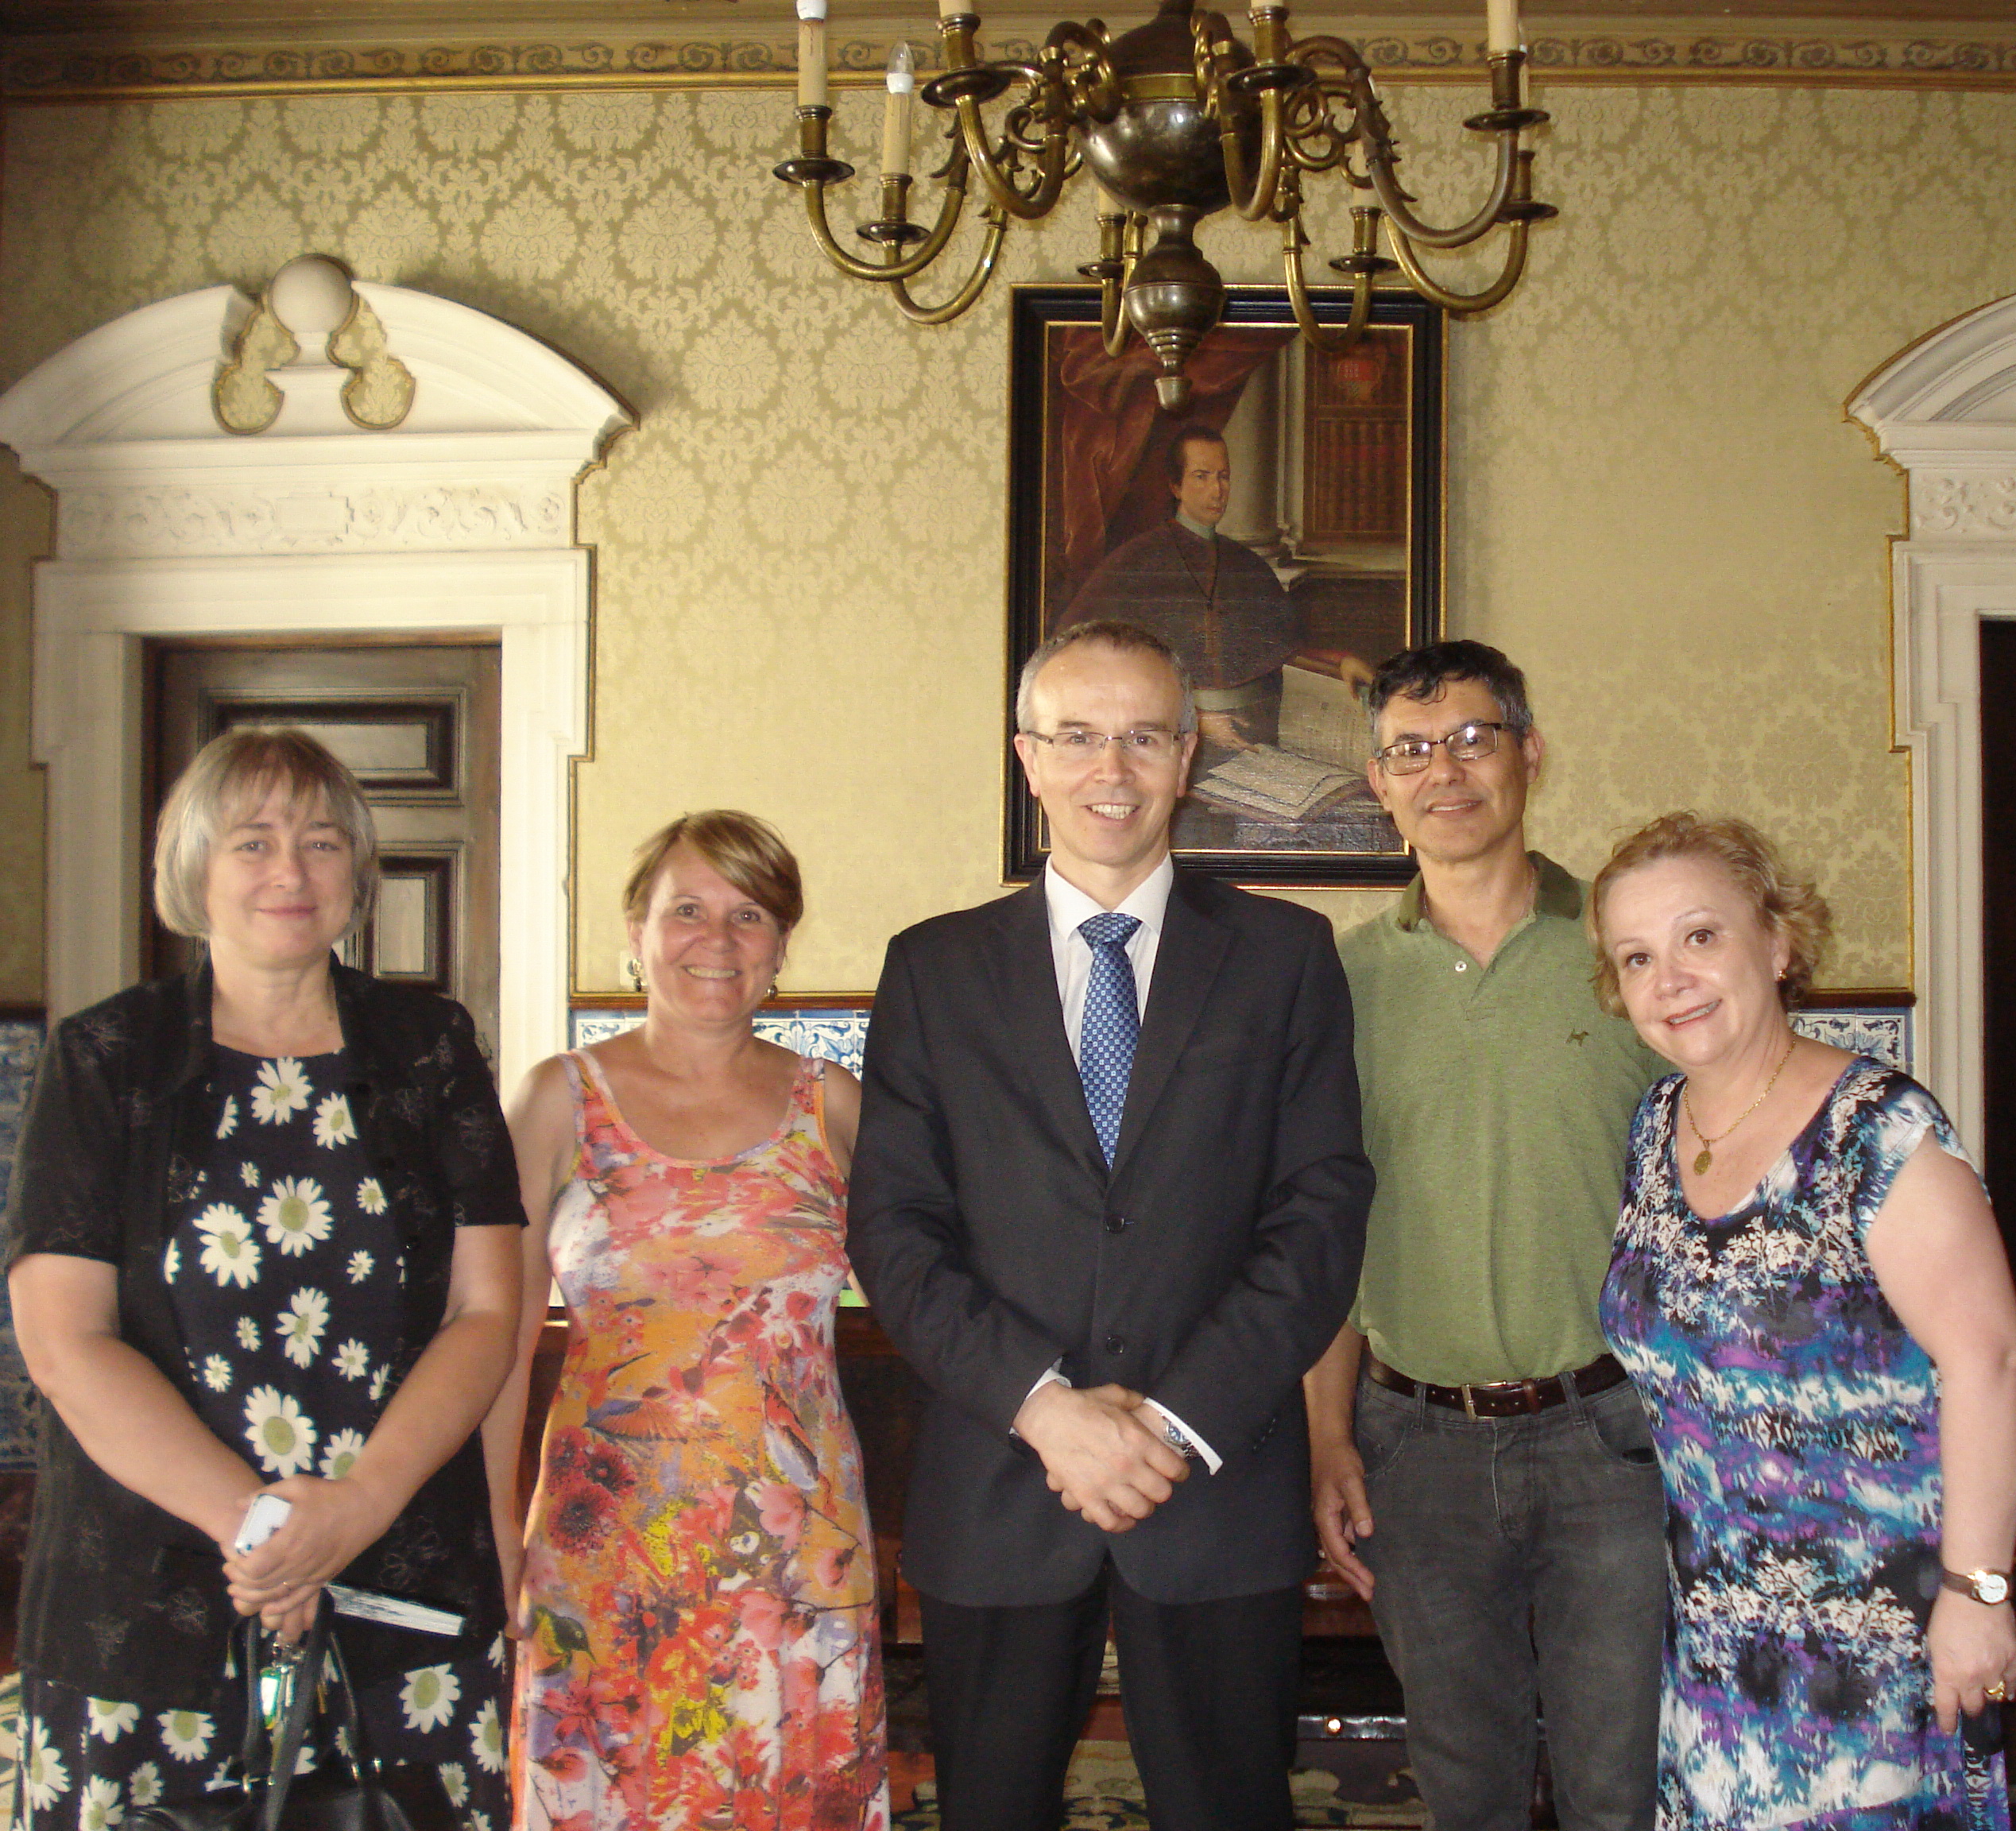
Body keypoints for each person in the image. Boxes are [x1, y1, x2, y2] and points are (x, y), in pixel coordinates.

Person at [847, 619, 1372, 1831]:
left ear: (1188, 757)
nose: (1112, 769)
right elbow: (896, 1229)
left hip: (1216, 1482)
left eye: (1143, 736)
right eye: (1078, 736)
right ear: (1028, 758)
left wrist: (1174, 1421)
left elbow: (1321, 1214)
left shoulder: (1286, 957)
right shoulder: (932, 969)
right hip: (1001, 1476)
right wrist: (1044, 1410)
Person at [2, 726, 524, 1831]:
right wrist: (264, 1536)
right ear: (193, 868)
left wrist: (360, 1507)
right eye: (253, 841)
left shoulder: (432, 1049)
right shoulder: (106, 1057)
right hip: (146, 1602)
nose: (291, 871)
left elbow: (486, 1310)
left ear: (360, 872)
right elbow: (65, 1341)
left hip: (404, 1585)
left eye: (323, 840)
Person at [1590, 812, 2016, 1831]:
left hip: (1877, 1639)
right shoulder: (1659, 1126)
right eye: (1638, 957)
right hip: (1713, 1632)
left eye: (1702, 936)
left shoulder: (1878, 1130)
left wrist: (1980, 1593)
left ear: (1779, 942)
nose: (1672, 978)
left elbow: (1991, 1361)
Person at [1303, 641, 1670, 1831]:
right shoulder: (1337, 985)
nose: (1444, 771)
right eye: (1412, 749)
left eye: (1473, 738)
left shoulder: (1626, 957)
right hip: (1415, 1448)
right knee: (1466, 1788)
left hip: (1612, 1440)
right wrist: (1327, 1440)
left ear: (1529, 754)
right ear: (1377, 782)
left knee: (1620, 1784)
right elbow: (1321, 1234)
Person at [482, 810, 886, 1830]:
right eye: (688, 910)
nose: (718, 940)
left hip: (801, 1548)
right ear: (636, 929)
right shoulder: (558, 1100)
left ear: (782, 946)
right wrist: (492, 1521)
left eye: (748, 915)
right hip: (608, 1542)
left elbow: (942, 1288)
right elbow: (497, 1334)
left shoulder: (832, 1105)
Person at [1058, 424, 1308, 759]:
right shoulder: (1136, 559)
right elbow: (1077, 650)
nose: (1217, 491)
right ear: (1176, 486)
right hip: (1167, 736)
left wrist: (1341, 663)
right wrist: (1189, 718)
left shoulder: (1248, 565)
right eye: (1202, 477)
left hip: (1254, 733)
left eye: (1224, 477)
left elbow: (1285, 646)